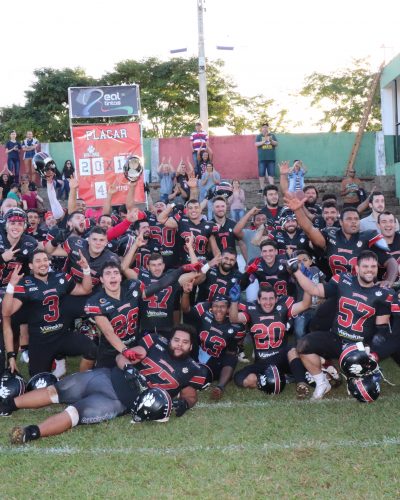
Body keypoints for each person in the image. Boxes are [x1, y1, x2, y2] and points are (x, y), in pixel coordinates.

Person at [4, 324, 208, 444]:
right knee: (55, 391)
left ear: (191, 346)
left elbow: (190, 394)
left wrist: (185, 404)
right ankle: (8, 405)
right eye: (176, 340)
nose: (179, 345)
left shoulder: (192, 369)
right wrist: (128, 369)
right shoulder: (156, 342)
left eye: (184, 342)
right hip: (106, 376)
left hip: (117, 401)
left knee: (74, 414)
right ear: (170, 339)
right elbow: (124, 356)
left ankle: (31, 433)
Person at [291, 250, 393, 400]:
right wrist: (296, 271)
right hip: (337, 338)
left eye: (373, 266)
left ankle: (364, 372)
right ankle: (321, 382)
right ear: (357, 268)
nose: (370, 270)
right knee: (303, 345)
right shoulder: (343, 281)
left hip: (360, 346)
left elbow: (382, 329)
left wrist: (371, 353)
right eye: (365, 266)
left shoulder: (383, 294)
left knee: (364, 393)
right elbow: (313, 289)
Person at [2, 249, 97, 376]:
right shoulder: (25, 283)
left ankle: (82, 381)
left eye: (45, 260)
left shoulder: (60, 277)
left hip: (62, 335)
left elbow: (85, 289)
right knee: (38, 381)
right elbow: (7, 312)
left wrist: (86, 269)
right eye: (38, 261)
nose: (43, 263)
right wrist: (11, 286)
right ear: (30, 266)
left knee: (92, 349)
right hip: (41, 341)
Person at [229, 284, 311, 399]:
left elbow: (305, 304)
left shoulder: (282, 308)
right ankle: (277, 378)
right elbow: (234, 318)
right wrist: (233, 302)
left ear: (276, 299)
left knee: (293, 351)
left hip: (282, 358)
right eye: (264, 299)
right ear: (258, 300)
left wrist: (307, 288)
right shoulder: (252, 310)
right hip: (263, 362)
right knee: (241, 379)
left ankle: (301, 383)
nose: (268, 302)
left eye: (271, 298)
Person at [181, 291, 245, 399]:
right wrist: (186, 293)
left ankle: (220, 387)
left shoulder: (236, 327)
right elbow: (186, 309)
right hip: (198, 351)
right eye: (215, 306)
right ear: (211, 307)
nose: (218, 310)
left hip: (215, 359)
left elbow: (232, 350)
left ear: (229, 309)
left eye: (222, 307)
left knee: (231, 357)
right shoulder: (205, 314)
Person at [255, 123, 278, 193]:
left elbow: (276, 144)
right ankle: (262, 189)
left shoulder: (272, 135)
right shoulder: (259, 136)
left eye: (266, 127)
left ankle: (272, 188)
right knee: (261, 174)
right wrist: (264, 140)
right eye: (263, 127)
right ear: (261, 128)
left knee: (271, 174)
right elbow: (256, 144)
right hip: (262, 158)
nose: (265, 128)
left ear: (268, 128)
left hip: (271, 158)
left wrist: (271, 140)